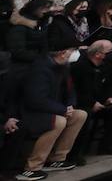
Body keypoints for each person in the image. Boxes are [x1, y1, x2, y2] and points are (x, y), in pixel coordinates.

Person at [16, 42, 87, 179]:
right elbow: (36, 100)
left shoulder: (64, 67)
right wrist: (62, 110)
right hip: (30, 113)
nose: (75, 53)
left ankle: (57, 159)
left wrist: (70, 105)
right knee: (58, 121)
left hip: (53, 109)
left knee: (80, 115)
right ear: (63, 52)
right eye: (73, 50)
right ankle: (32, 167)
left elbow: (70, 90)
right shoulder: (40, 69)